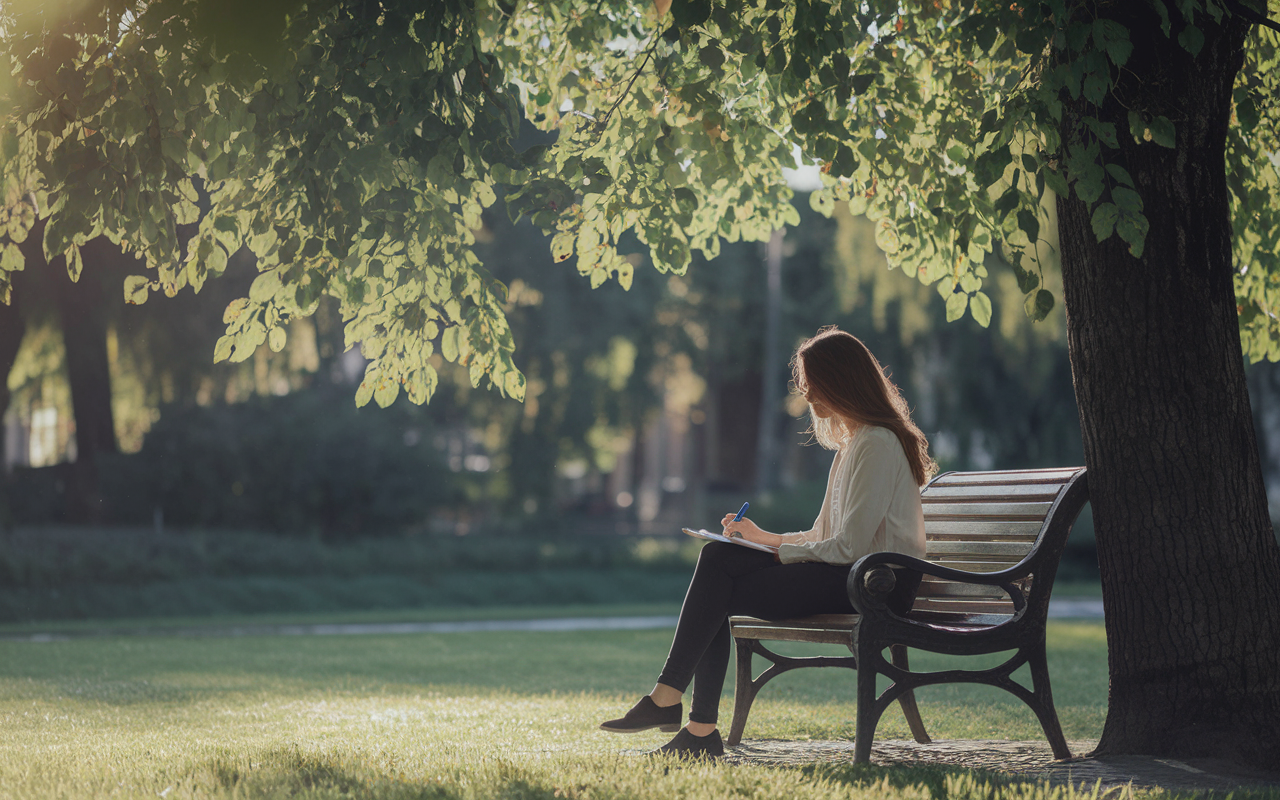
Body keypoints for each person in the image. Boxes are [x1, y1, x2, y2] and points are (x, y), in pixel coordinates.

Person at [599, 327, 937, 759]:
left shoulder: (877, 443)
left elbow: (849, 548)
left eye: (815, 385)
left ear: (843, 382)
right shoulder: (854, 445)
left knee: (716, 587)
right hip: (853, 576)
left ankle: (680, 714)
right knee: (720, 554)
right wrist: (763, 538)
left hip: (878, 586)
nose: (808, 396)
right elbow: (825, 536)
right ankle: (685, 720)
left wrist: (779, 552)